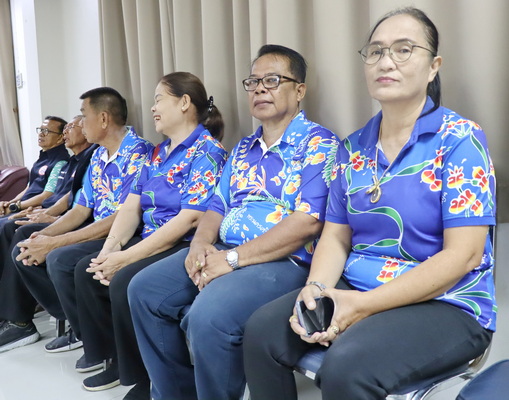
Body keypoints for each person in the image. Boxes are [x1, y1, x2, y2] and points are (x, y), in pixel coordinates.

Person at [243, 7, 496, 400]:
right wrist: (317, 288)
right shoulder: (352, 148)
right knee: (260, 333)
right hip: (357, 285)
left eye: (404, 49)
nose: (386, 62)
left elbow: (463, 257)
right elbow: (336, 237)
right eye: (375, 51)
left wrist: (361, 306)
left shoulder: (460, 139)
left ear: (433, 67)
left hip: (446, 301)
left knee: (346, 367)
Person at [128, 44, 339, 400]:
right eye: (253, 82)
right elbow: (216, 206)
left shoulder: (320, 143)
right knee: (143, 290)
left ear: (299, 90)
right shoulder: (243, 148)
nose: (259, 89)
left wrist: (231, 259)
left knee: (208, 316)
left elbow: (308, 222)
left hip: (285, 261)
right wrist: (199, 245)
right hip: (226, 250)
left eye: (272, 80)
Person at [72, 72, 228, 398]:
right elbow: (131, 208)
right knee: (90, 270)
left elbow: (189, 219)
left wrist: (125, 257)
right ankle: (129, 366)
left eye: (159, 99)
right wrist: (110, 249)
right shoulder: (156, 154)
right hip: (151, 237)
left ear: (184, 103)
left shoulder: (207, 151)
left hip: (183, 242)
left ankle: (158, 380)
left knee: (124, 280)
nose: (153, 108)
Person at [0, 88, 152, 362]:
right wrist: (42, 238)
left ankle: (93, 336)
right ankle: (79, 323)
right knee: (24, 244)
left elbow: (122, 217)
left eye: (84, 116)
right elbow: (81, 209)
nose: (80, 124)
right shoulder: (99, 155)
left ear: (103, 119)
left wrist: (54, 243)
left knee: (59, 259)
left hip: (124, 233)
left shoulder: (138, 152)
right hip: (97, 226)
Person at [0, 116, 96, 350]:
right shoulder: (73, 160)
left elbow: (72, 204)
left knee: (19, 232)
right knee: (13, 227)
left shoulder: (91, 158)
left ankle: (19, 320)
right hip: (61, 216)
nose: (67, 132)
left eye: (72, 127)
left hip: (82, 222)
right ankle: (10, 309)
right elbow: (62, 197)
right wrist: (34, 211)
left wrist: (47, 215)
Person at [0, 116, 70, 219]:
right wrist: (9, 203)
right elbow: (29, 188)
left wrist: (15, 207)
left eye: (46, 131)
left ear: (60, 138)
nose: (41, 134)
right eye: (41, 130)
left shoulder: (61, 162)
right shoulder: (42, 158)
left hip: (34, 210)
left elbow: (47, 195)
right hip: (22, 206)